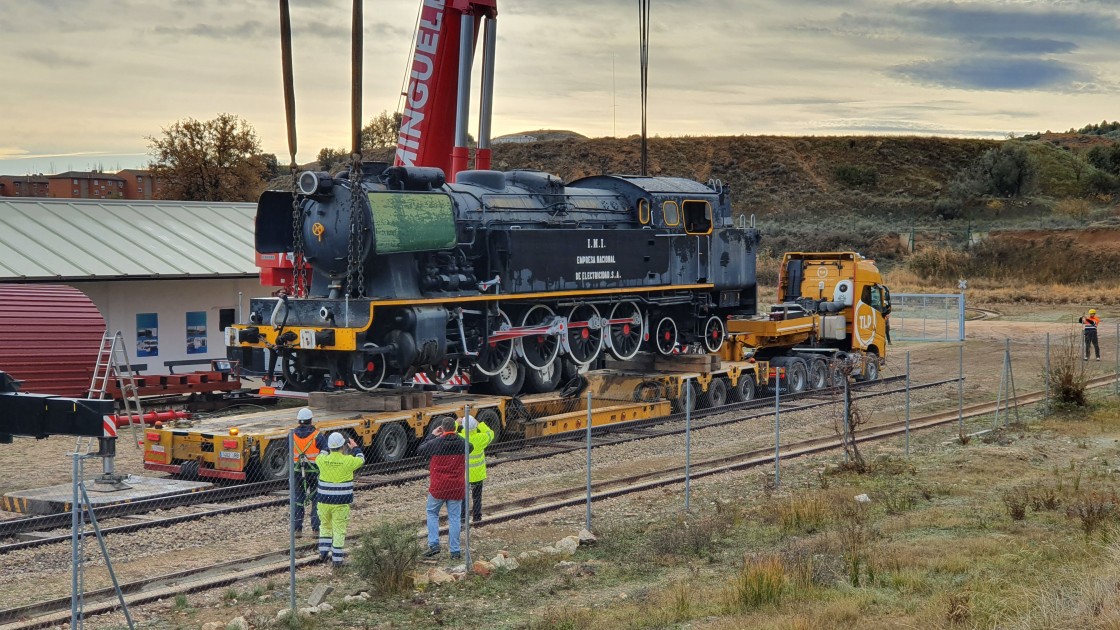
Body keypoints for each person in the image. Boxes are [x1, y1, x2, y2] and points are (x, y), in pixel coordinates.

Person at [417, 417, 472, 560]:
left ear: (442, 428)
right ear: (454, 428)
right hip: (456, 487)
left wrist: (433, 435)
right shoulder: (461, 444)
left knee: (432, 513)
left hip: (439, 487)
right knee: (454, 518)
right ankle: (454, 551)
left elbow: (420, 449)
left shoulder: (435, 443)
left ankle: (434, 544)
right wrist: (456, 433)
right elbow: (470, 446)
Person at [315, 432, 365, 568]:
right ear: (343, 446)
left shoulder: (321, 460)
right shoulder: (348, 461)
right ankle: (337, 560)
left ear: (330, 447)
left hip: (323, 501)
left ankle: (323, 553)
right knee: (338, 530)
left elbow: (322, 453)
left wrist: (326, 445)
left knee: (324, 526)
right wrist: (355, 447)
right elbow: (361, 459)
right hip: (341, 503)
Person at [290, 407, 327, 536]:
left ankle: (296, 530)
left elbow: (288, 450)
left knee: (297, 499)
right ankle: (316, 530)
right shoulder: (317, 435)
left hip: (297, 472)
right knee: (316, 499)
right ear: (311, 420)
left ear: (299, 421)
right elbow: (325, 450)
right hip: (314, 472)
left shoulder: (292, 435)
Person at [457, 414, 495, 524]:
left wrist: (456, 422)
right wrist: (480, 424)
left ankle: (463, 520)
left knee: (463, 498)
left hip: (464, 475)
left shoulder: (460, 438)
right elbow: (490, 433)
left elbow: (449, 434)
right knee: (477, 497)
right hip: (478, 474)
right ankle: (477, 518)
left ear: (463, 427)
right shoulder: (481, 438)